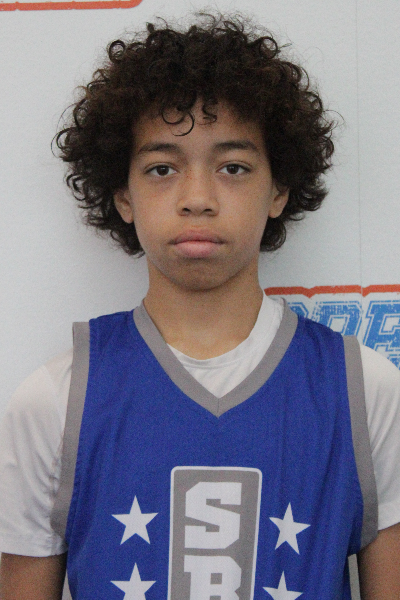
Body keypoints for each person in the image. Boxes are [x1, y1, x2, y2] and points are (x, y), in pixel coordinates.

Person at [0, 13, 399, 600]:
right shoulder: (55, 401)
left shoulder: (365, 390)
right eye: (162, 168)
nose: (197, 198)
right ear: (123, 196)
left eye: (232, 167)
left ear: (278, 189)